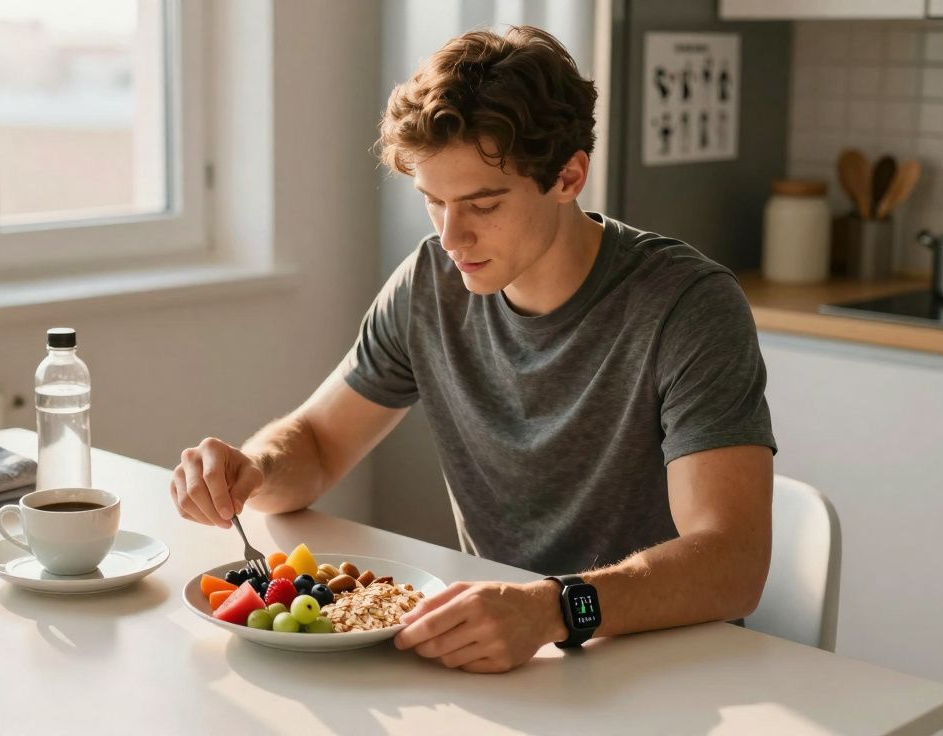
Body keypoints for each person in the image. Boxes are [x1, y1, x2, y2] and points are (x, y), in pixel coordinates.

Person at [168, 25, 776, 673]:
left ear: (568, 176)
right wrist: (254, 470)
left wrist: (550, 609)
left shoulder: (687, 304)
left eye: (483, 204)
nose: (452, 237)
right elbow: (317, 444)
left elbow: (732, 563)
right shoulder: (431, 282)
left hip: (668, 664)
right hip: (503, 660)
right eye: (434, 202)